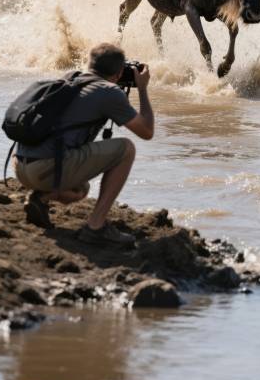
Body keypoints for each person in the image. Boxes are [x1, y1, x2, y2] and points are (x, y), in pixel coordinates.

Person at [13, 42, 154, 246]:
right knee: (126, 149)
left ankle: (40, 199)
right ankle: (96, 227)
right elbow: (147, 131)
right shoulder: (109, 92)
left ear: (90, 64)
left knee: (80, 189)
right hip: (45, 169)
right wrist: (142, 89)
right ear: (119, 71)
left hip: (21, 168)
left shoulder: (70, 77)